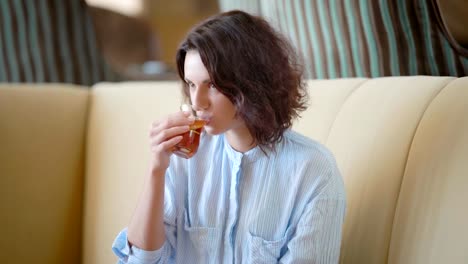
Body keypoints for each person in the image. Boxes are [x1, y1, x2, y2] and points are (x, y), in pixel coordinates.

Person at [112, 10, 346, 264]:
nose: (197, 102)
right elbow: (141, 260)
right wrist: (156, 169)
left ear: (252, 82)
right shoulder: (183, 156)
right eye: (191, 84)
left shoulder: (314, 172)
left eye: (212, 85)